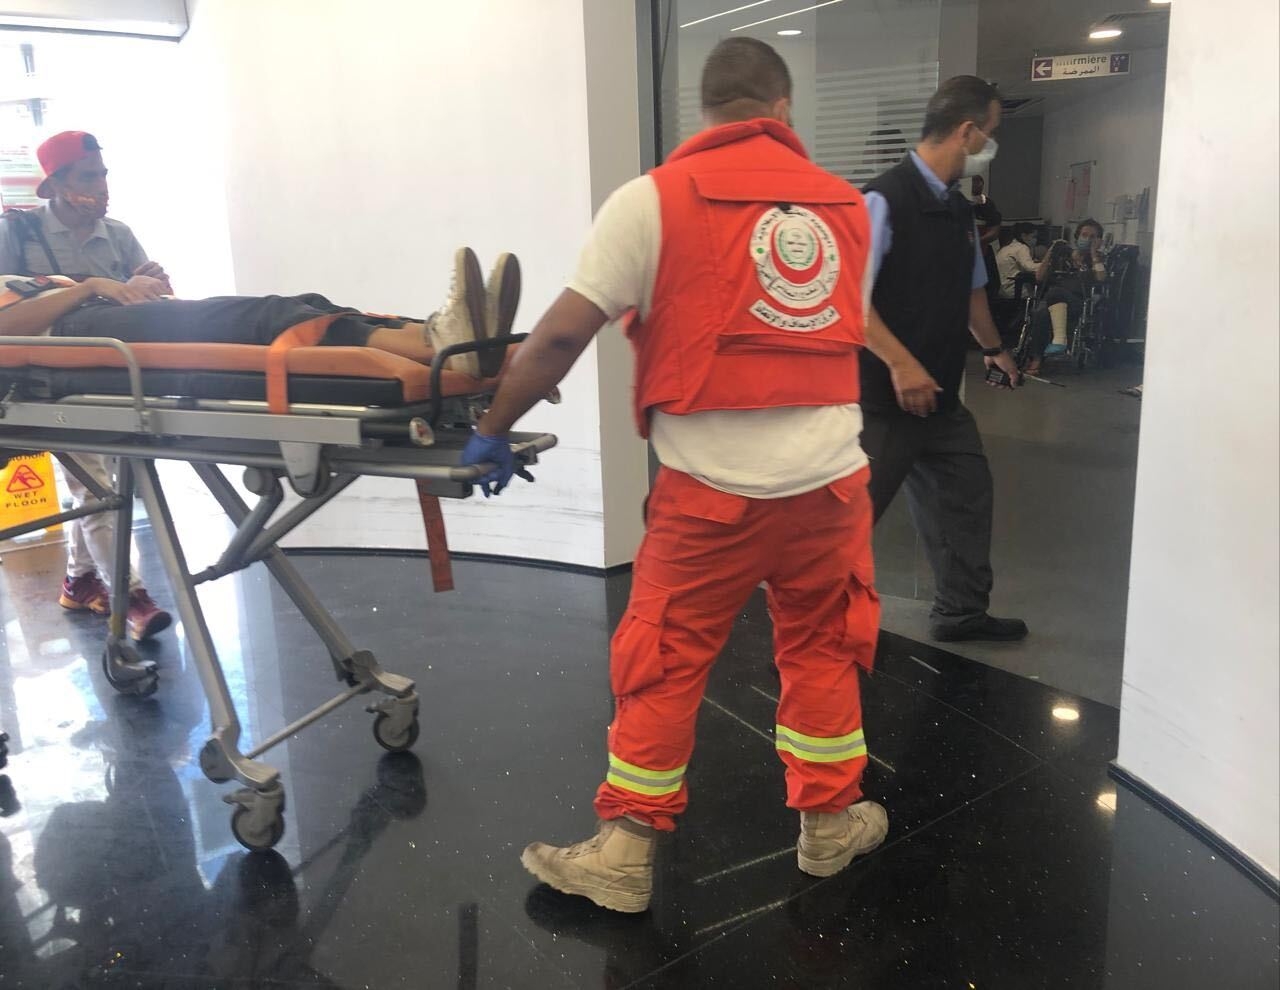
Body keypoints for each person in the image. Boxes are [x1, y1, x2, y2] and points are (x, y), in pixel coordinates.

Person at [456, 38, 927, 914]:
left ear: (704, 114)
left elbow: (560, 336)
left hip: (708, 497)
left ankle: (625, 855)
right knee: (823, 646)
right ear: (782, 111)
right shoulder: (846, 209)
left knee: (665, 660)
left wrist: (490, 428)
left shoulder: (651, 202)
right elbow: (849, 323)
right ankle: (830, 825)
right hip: (830, 489)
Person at [859, 75, 1028, 644]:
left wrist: (995, 350)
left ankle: (961, 613)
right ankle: (804, 636)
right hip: (882, 402)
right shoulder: (883, 199)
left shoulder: (957, 211)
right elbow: (846, 302)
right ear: (966, 130)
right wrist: (900, 364)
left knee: (965, 494)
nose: (990, 146)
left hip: (939, 398)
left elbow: (972, 292)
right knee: (845, 523)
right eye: (991, 133)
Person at [0, 131, 173, 639]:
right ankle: (132, 596)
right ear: (54, 185)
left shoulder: (117, 236)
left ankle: (78, 581)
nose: (100, 188)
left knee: (96, 483)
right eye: (87, 177)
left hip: (112, 375)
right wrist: (89, 288)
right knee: (96, 479)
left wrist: (151, 283)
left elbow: (146, 302)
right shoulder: (18, 236)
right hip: (40, 380)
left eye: (103, 176)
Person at [1024, 218, 1107, 374]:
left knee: (1055, 292)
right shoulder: (1063, 255)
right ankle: (1038, 357)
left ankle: (1058, 341)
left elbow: (1101, 278)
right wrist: (1050, 252)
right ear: (1077, 236)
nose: (1087, 239)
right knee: (1041, 313)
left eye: (1092, 236)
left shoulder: (1097, 259)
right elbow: (1039, 277)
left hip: (1077, 302)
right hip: (1051, 302)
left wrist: (1094, 254)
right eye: (1084, 234)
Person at [970, 175, 1002, 307]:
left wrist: (978, 241)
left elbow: (995, 231)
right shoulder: (953, 202)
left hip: (982, 254)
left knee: (991, 288)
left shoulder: (986, 204)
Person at [996, 222, 1039, 299]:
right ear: (1023, 236)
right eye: (1034, 236)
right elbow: (1029, 267)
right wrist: (1046, 263)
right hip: (1014, 290)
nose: (1036, 240)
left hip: (1001, 289)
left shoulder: (1007, 247)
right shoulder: (1021, 247)